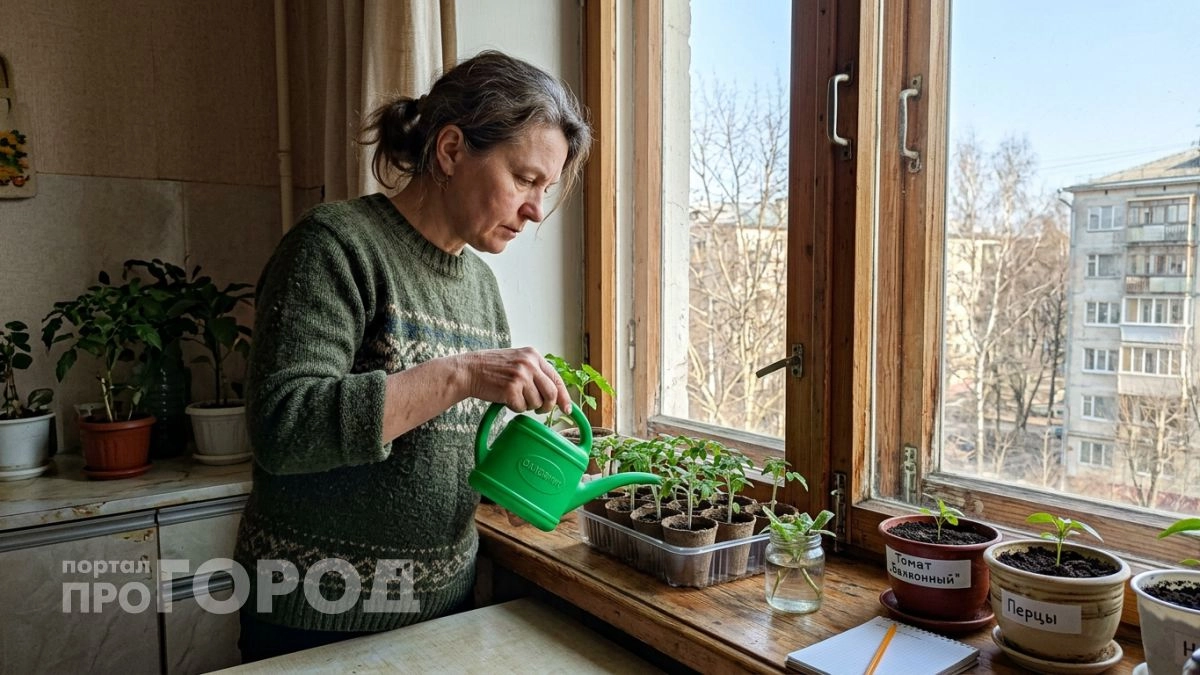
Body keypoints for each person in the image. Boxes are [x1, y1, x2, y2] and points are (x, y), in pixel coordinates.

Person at [233, 49, 592, 662]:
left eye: (546, 189)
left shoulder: (480, 285)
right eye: (525, 179)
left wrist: (543, 468)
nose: (535, 210)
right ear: (451, 150)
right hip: (316, 620)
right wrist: (462, 374)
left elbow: (458, 453)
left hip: (442, 616)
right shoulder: (335, 246)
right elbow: (282, 428)